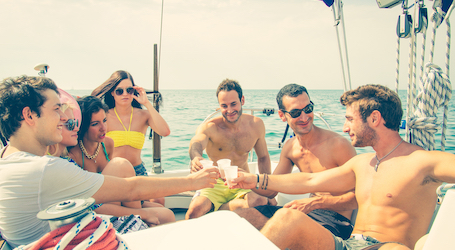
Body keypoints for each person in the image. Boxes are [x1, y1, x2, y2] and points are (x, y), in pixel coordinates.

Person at [0, 75, 219, 248]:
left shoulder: (8, 158)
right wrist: (194, 181)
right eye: (57, 109)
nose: (64, 118)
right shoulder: (45, 169)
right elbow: (131, 189)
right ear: (29, 116)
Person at [230, 84, 455, 250]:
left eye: (349, 119)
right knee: (286, 218)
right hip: (347, 245)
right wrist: (255, 180)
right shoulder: (363, 163)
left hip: (388, 246)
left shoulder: (424, 161)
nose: (345, 127)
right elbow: (309, 180)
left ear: (374, 119)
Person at [235, 84, 357, 240]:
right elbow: (271, 191)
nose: (304, 117)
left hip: (334, 221)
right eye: (295, 113)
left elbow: (359, 197)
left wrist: (315, 203)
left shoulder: (338, 145)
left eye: (308, 108)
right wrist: (246, 180)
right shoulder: (290, 148)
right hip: (305, 213)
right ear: (282, 115)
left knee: (283, 229)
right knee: (240, 217)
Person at [68, 95, 175, 225]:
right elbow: (89, 205)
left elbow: (118, 188)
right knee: (120, 164)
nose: (104, 128)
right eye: (95, 124)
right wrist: (143, 214)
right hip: (94, 209)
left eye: (105, 120)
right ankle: (137, 222)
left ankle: (136, 221)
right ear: (83, 126)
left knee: (167, 215)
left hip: (117, 199)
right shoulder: (73, 155)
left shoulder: (107, 144)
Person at [185, 79, 274, 219]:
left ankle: (219, 209)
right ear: (219, 106)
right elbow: (196, 142)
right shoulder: (210, 127)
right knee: (194, 212)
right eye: (224, 106)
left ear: (242, 100)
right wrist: (196, 156)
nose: (230, 110)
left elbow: (263, 157)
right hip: (215, 182)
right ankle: (226, 208)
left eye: (233, 104)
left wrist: (267, 188)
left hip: (242, 180)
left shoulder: (256, 125)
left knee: (261, 201)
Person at [91, 70, 170, 177]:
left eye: (129, 90)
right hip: (112, 172)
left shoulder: (143, 115)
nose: (125, 94)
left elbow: (164, 131)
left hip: (138, 172)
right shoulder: (105, 116)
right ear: (112, 93)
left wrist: (147, 104)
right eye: (119, 91)